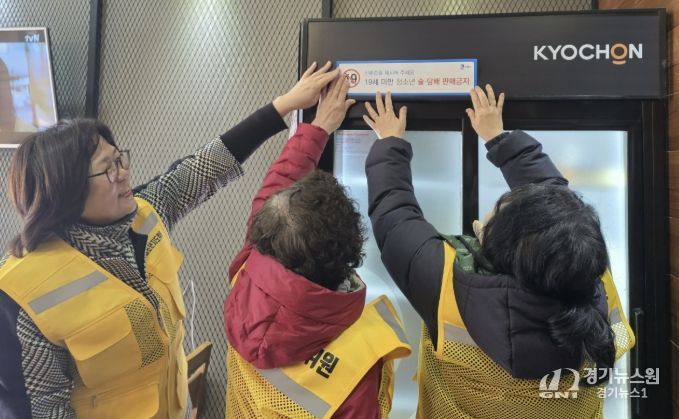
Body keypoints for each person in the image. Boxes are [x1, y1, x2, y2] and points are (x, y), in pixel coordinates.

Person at [0, 61, 339, 419]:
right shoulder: (21, 293)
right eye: (107, 168)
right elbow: (40, 410)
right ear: (65, 190)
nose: (123, 173)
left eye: (120, 159)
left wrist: (284, 105)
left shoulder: (146, 213)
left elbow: (207, 167)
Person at [362, 86, 635, 418]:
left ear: (496, 248)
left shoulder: (447, 287)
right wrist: (500, 139)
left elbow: (394, 216)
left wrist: (389, 142)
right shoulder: (588, 273)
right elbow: (560, 213)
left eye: (497, 215)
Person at [224, 76, 411, 418]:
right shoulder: (356, 363)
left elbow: (275, 188)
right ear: (348, 251)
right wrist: (390, 147)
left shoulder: (248, 272)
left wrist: (318, 127)